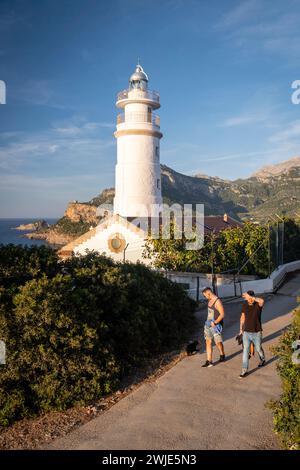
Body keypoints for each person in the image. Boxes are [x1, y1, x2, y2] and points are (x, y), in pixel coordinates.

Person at [239, 290, 266, 378]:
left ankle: (262, 359)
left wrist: (252, 297)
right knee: (245, 351)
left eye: (248, 297)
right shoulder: (244, 305)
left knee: (258, 348)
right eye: (246, 298)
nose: (247, 299)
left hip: (257, 332)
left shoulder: (258, 304)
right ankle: (244, 370)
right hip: (246, 332)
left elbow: (262, 301)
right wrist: (240, 330)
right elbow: (242, 317)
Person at [201, 287, 225, 367]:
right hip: (208, 324)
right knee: (208, 342)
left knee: (218, 343)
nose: (205, 297)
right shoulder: (209, 301)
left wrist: (215, 322)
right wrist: (206, 323)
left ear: (209, 293)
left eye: (205, 295)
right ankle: (209, 361)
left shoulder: (217, 302)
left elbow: (222, 314)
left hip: (216, 325)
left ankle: (222, 354)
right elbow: (210, 313)